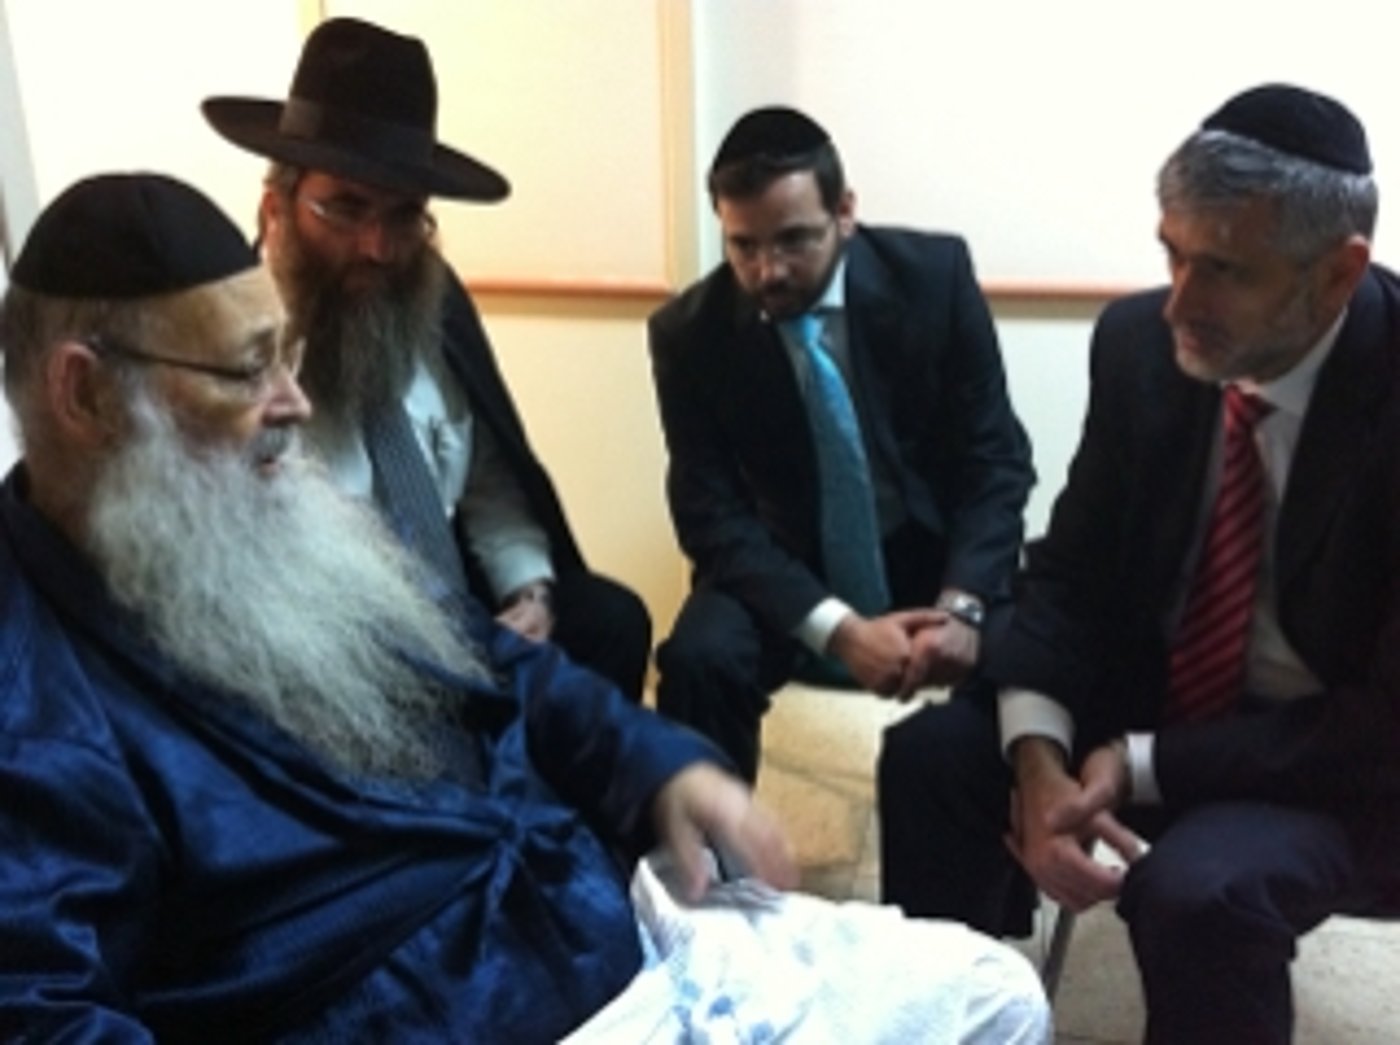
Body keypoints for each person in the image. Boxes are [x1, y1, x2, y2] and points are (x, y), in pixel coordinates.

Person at [0, 172, 1051, 1043]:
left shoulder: (264, 520)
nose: (295, 402)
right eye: (245, 371)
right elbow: (41, 1006)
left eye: (286, 355)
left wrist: (664, 765)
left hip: (596, 926)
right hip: (432, 1003)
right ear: (85, 393)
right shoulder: (27, 687)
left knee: (992, 995)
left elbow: (496, 661)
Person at [879, 83, 1400, 1044]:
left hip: (1339, 760)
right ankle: (968, 1019)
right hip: (1160, 695)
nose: (1181, 304)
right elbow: (1070, 574)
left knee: (1199, 891)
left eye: (1225, 269)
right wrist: (1039, 760)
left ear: (1339, 273)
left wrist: (1139, 763)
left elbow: (1383, 720)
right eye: (1172, 254)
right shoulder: (1141, 346)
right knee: (930, 761)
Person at [200, 16, 650, 701]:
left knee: (610, 620)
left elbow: (490, 483)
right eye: (346, 208)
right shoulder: (223, 350)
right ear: (275, 210)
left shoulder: (431, 300)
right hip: (330, 647)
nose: (378, 247)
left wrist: (528, 590)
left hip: (456, 604)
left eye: (404, 215)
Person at [648, 106, 1034, 780]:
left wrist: (961, 606)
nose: (768, 270)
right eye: (743, 245)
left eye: (794, 239)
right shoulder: (689, 333)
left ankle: (989, 838)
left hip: (928, 553)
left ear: (845, 212)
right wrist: (840, 630)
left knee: (1031, 651)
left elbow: (995, 461)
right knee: (698, 658)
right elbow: (709, 514)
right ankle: (717, 845)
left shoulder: (934, 278)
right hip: (787, 568)